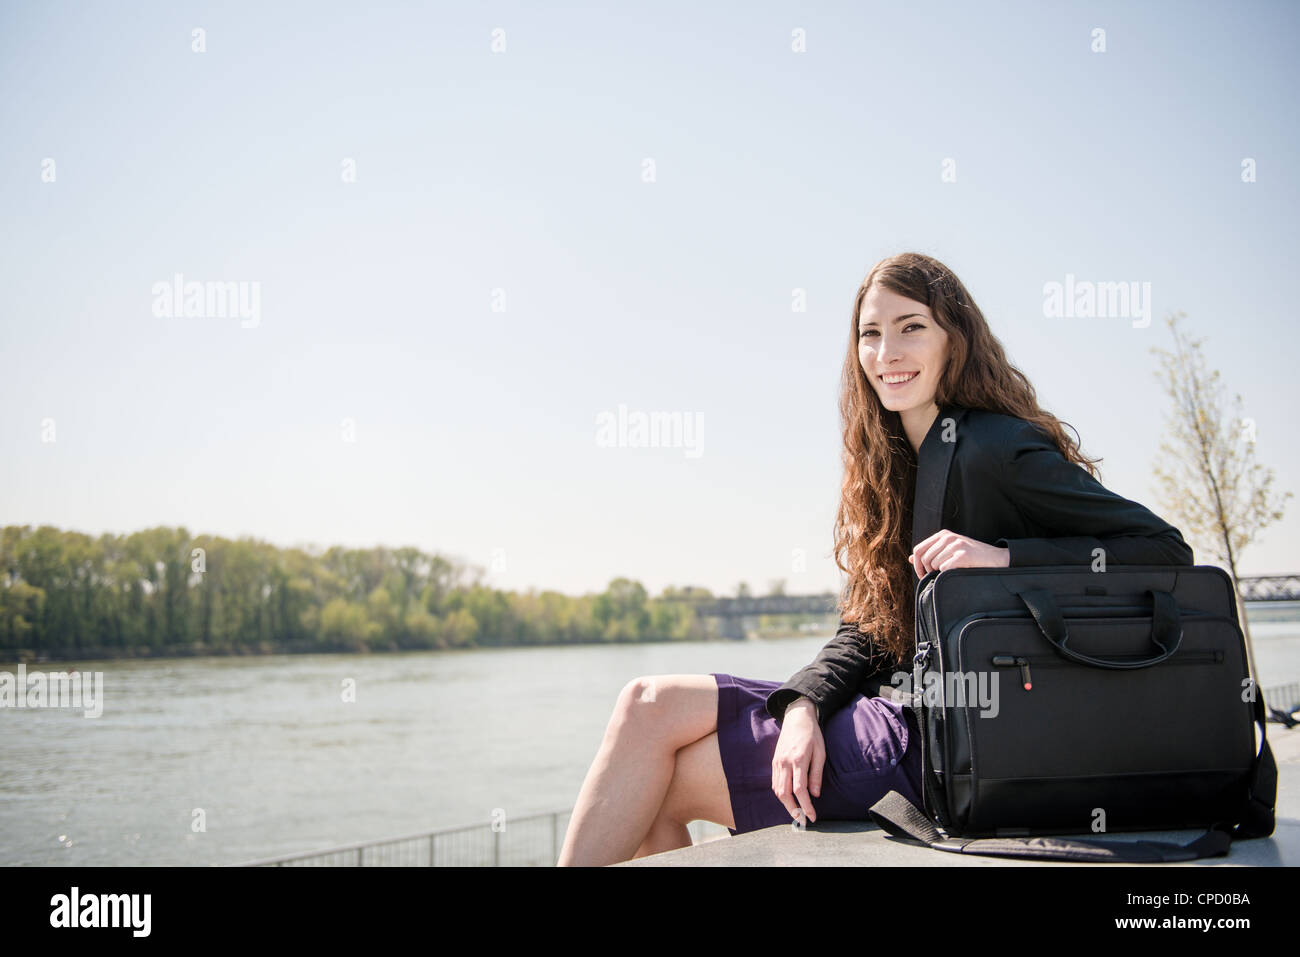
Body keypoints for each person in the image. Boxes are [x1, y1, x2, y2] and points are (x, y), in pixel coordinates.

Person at [555, 252, 1194, 867]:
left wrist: (1002, 558)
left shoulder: (997, 447)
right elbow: (869, 625)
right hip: (893, 706)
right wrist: (803, 705)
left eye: (910, 328)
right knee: (645, 702)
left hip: (949, 739)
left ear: (955, 338)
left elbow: (1163, 549)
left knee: (662, 784)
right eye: (870, 334)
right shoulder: (890, 464)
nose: (886, 353)